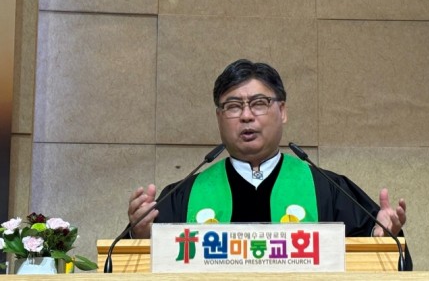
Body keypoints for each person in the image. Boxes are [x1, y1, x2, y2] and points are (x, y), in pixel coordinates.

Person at [128, 59, 411, 268]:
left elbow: (384, 264)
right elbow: (127, 265)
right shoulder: (184, 195)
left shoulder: (328, 189)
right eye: (233, 106)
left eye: (259, 103)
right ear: (219, 117)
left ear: (282, 111)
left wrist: (384, 237)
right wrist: (139, 237)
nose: (246, 116)